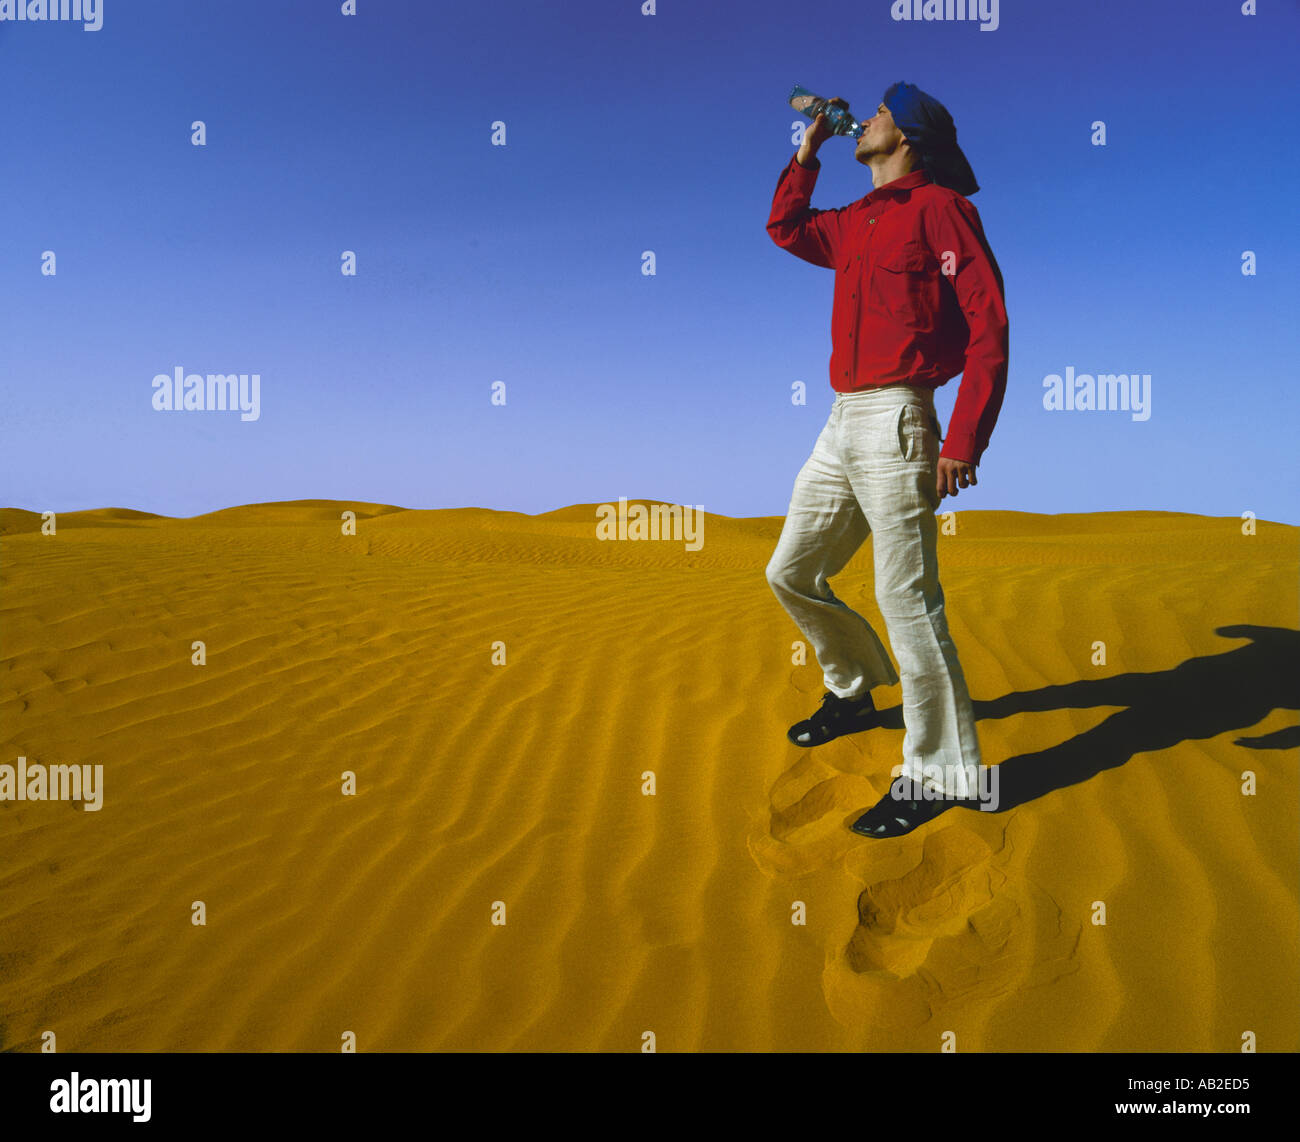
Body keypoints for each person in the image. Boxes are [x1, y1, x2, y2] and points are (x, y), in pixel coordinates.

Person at [764, 81, 1009, 838]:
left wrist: (964, 439)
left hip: (902, 419)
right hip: (840, 421)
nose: (859, 120)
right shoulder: (856, 221)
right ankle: (851, 690)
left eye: (874, 114)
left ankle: (943, 774)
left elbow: (989, 326)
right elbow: (784, 227)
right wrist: (806, 151)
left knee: (908, 601)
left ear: (903, 135)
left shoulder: (941, 209)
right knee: (789, 571)